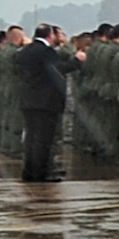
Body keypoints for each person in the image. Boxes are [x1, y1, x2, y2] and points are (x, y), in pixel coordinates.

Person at [15, 24, 78, 182]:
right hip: (45, 100)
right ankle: (42, 172)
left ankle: (29, 171)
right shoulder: (46, 52)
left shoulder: (24, 51)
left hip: (28, 99)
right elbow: (58, 70)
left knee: (31, 138)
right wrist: (77, 62)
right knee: (44, 140)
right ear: (50, 36)